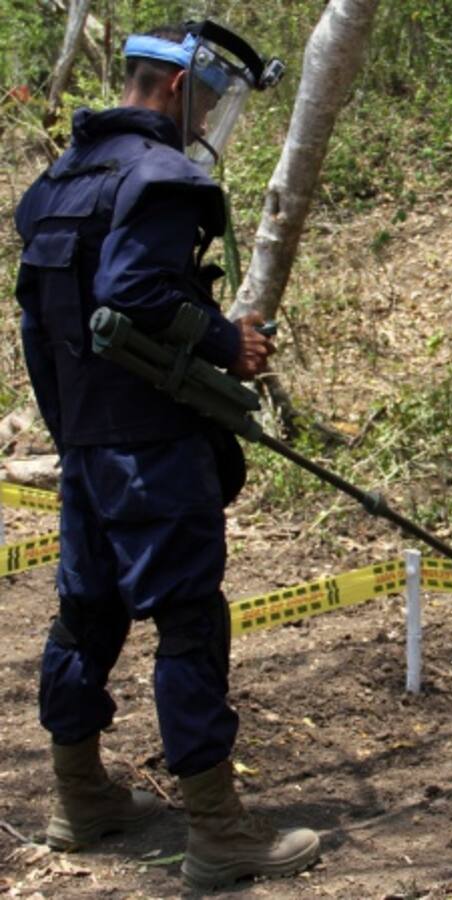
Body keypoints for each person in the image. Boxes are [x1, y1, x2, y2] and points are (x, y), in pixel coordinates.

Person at [13, 22, 319, 890]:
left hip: (87, 446)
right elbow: (135, 290)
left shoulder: (57, 183)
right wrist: (227, 343)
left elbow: (39, 329)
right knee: (188, 622)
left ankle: (80, 801)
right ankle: (218, 832)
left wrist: (71, 431)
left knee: (87, 615)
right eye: (212, 103)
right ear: (180, 89)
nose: (211, 121)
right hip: (151, 450)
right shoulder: (162, 178)